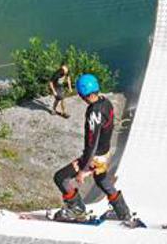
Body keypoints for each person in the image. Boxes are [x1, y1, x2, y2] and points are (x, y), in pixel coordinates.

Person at [52, 74, 134, 224]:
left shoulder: (93, 113)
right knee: (102, 180)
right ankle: (123, 213)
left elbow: (92, 143)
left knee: (60, 177)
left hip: (94, 157)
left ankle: (76, 209)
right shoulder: (106, 103)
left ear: (83, 94)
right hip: (104, 153)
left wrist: (83, 170)